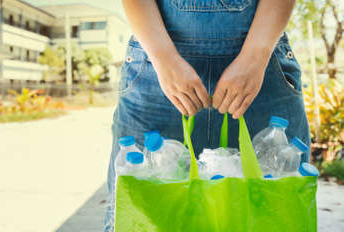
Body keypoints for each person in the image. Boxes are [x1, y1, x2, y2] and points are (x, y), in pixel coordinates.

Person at [105, 0, 310, 231]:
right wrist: (164, 59)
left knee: (276, 217)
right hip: (156, 72)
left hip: (262, 69)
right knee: (143, 216)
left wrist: (255, 56)